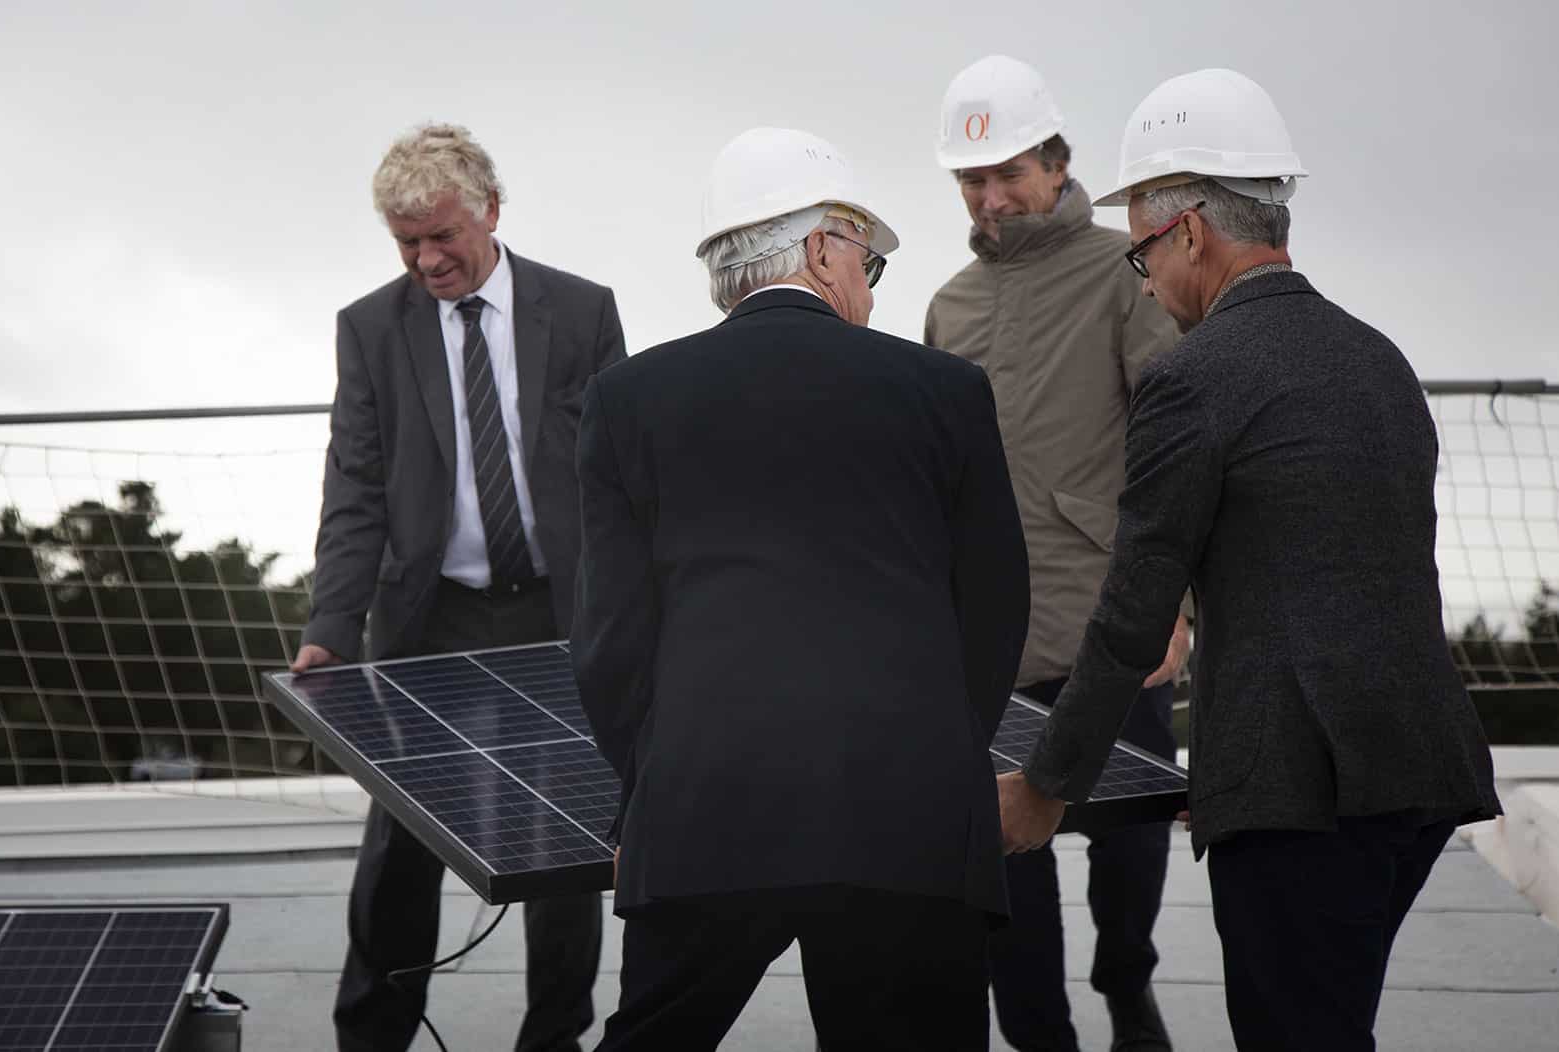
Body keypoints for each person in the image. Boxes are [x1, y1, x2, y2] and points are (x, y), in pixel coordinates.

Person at [996, 70, 1502, 1052]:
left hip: (1302, 795)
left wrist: (1045, 785)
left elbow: (1136, 609)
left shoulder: (1193, 377)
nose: (1144, 282)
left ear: (1189, 232)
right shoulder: (1378, 357)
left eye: (1140, 255)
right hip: (1422, 765)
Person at [571, 126, 1029, 1051]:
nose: (869, 288)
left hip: (705, 804)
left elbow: (611, 641)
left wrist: (649, 791)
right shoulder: (946, 389)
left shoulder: (627, 399)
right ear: (824, 247)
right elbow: (994, 611)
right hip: (908, 818)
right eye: (870, 261)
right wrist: (939, 758)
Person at [292, 122, 625, 1052]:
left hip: (560, 611)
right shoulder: (369, 328)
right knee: (400, 842)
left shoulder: (584, 310)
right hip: (430, 618)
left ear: (491, 210)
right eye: (407, 244)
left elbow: (621, 476)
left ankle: (553, 1036)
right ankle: (373, 1032)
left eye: (442, 236)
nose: (427, 260)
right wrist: (330, 623)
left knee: (563, 842)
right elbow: (354, 486)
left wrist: (641, 612)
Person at [925, 55, 1185, 1052]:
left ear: (1056, 161)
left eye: (1008, 174)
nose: (992, 198)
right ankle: (1042, 1034)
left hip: (1115, 619)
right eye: (971, 181)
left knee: (1128, 833)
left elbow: (1177, 443)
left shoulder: (1126, 271)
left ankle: (1129, 978)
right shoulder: (949, 305)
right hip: (985, 628)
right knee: (1004, 851)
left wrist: (1179, 602)